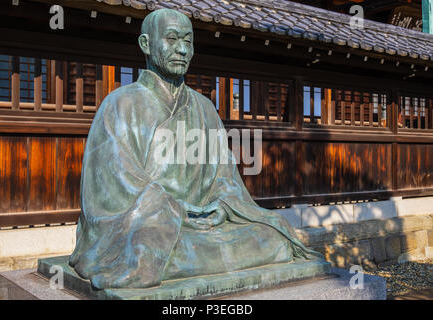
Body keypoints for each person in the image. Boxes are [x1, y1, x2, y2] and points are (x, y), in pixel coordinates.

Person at [69, 8, 323, 289]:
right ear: (146, 44)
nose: (181, 50)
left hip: (204, 226)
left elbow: (225, 176)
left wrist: (224, 207)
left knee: (274, 235)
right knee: (145, 250)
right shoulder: (119, 105)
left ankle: (181, 256)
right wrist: (174, 210)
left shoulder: (204, 107)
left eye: (188, 42)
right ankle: (160, 256)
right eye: (172, 39)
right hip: (149, 223)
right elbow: (113, 184)